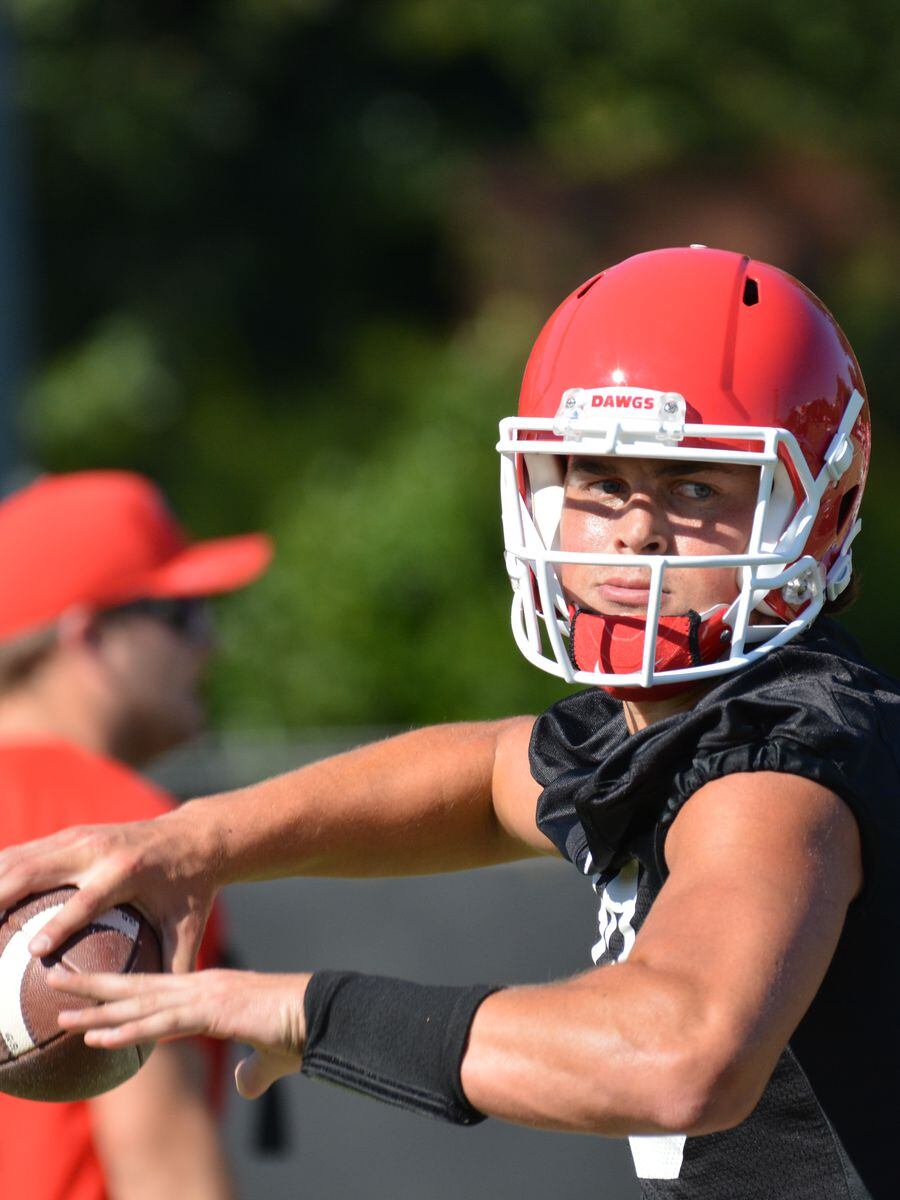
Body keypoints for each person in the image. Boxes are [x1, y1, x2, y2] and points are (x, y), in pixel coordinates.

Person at [0, 247, 891, 1199]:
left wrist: (307, 1012)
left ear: (821, 512)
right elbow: (487, 774)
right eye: (598, 481)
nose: (635, 531)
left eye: (695, 486)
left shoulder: (781, 768)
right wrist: (193, 841)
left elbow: (677, 1057)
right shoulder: (661, 724)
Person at [0, 470, 272, 1200]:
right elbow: (161, 1162)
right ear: (87, 633)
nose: (208, 642)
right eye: (180, 612)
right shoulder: (121, 831)